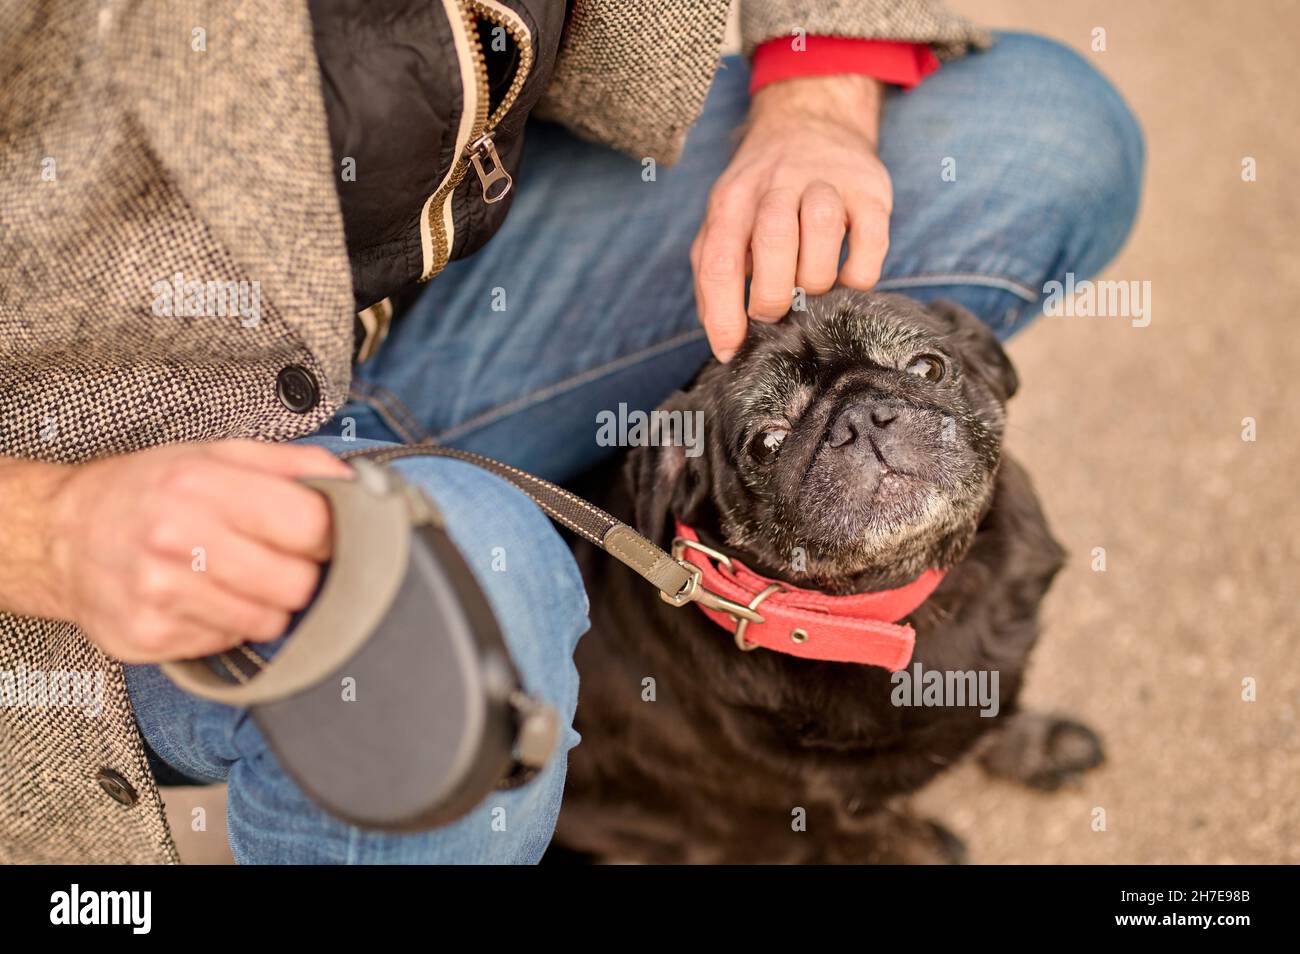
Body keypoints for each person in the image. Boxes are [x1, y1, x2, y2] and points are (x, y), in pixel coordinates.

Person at [0, 0, 1142, 863]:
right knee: (481, 602)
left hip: (427, 298)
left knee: (1044, 134)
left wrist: (817, 98)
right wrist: (44, 527)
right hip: (127, 457)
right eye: (782, 430)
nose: (873, 434)